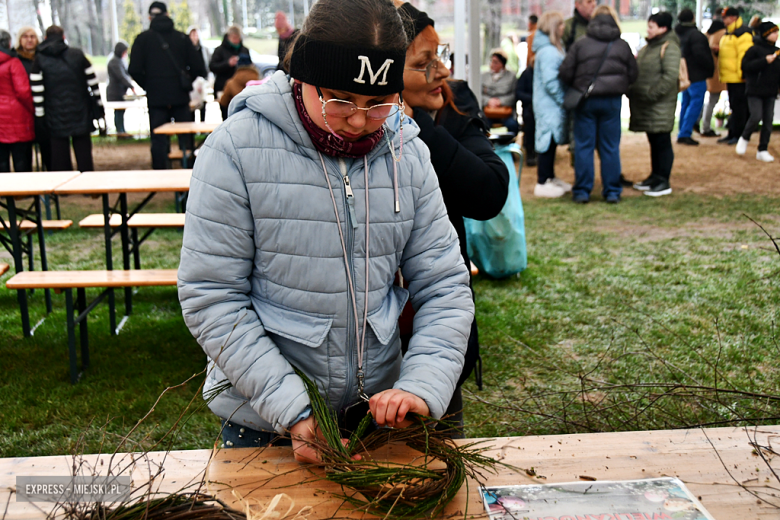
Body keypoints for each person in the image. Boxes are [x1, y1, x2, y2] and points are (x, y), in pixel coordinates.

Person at [177, 0, 473, 460]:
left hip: (374, 420)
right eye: (339, 101)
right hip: (263, 424)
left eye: (378, 104)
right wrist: (292, 409)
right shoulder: (235, 150)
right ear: (301, 76)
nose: (358, 121)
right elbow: (211, 295)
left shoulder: (407, 155)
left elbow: (445, 286)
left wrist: (419, 386)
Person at [396, 1, 509, 435]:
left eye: (440, 56)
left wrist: (419, 127)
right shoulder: (350, 122)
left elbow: (487, 193)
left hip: (435, 319)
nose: (441, 71)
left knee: (439, 456)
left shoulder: (454, 105)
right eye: (423, 63)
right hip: (364, 332)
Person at [559, 5, 637, 204]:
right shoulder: (622, 45)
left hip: (586, 100)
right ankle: (612, 191)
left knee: (584, 146)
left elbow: (565, 72)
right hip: (612, 101)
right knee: (610, 147)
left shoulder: (580, 44)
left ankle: (583, 191)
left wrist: (580, 84)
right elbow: (634, 73)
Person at [129, 1, 206, 169]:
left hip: (156, 97)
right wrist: (186, 81)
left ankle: (160, 171)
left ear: (150, 17)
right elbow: (198, 67)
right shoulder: (182, 38)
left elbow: (134, 69)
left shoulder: (142, 40)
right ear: (168, 15)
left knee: (158, 138)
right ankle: (189, 169)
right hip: (179, 95)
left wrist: (149, 85)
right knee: (185, 135)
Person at [30, 25, 101, 172]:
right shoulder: (78, 55)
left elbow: (37, 90)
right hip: (80, 109)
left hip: (53, 111)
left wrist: (40, 115)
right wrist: (99, 105)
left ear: (45, 38)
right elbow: (93, 82)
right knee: (83, 150)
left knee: (59, 151)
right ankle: (88, 184)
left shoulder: (39, 60)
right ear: (63, 37)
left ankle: (64, 185)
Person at [628, 12, 680, 198]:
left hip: (660, 105)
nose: (648, 30)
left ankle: (663, 180)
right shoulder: (649, 47)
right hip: (647, 105)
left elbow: (670, 77)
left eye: (652, 26)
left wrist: (652, 94)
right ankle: (655, 176)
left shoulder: (670, 47)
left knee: (662, 141)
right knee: (654, 141)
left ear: (663, 28)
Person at [531, 11, 570, 198]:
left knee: (551, 141)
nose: (564, 27)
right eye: (560, 24)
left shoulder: (550, 49)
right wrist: (563, 99)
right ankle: (543, 180)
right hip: (549, 106)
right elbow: (550, 81)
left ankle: (550, 177)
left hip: (548, 105)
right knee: (547, 141)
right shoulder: (548, 52)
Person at [736, 21, 779, 162]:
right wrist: (764, 61)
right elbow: (746, 66)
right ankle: (744, 137)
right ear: (766, 34)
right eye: (773, 32)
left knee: (768, 121)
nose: (776, 35)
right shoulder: (753, 50)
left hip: (771, 91)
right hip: (755, 89)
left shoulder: (777, 51)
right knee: (756, 116)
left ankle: (763, 149)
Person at [675, 8, 715, 146]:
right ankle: (685, 133)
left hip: (683, 74)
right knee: (695, 103)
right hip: (696, 75)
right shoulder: (696, 36)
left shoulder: (676, 35)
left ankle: (682, 130)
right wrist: (709, 68)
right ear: (692, 18)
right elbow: (701, 56)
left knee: (685, 103)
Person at [14, 26, 51, 171]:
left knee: (47, 148)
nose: (29, 40)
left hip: (44, 108)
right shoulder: (15, 59)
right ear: (19, 40)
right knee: (24, 151)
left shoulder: (44, 57)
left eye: (32, 36)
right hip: (23, 110)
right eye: (25, 36)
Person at [717, 7, 754, 145]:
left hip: (739, 78)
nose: (723, 20)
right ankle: (732, 132)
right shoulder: (729, 33)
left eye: (725, 17)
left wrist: (743, 74)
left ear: (733, 18)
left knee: (740, 108)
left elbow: (744, 56)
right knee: (734, 107)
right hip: (730, 77)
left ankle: (739, 135)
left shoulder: (743, 34)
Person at [0, 29, 34, 172]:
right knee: (21, 157)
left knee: (1, 159)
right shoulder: (13, 63)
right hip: (17, 116)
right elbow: (23, 91)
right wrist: (33, 109)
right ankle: (24, 191)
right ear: (9, 43)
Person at [210, 25, 249, 120]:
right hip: (223, 87)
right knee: (226, 116)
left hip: (241, 88)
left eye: (237, 38)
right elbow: (212, 66)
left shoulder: (244, 50)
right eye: (233, 38)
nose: (236, 40)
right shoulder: (219, 50)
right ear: (228, 37)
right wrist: (227, 63)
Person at [699, 17, 727, 137]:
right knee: (712, 101)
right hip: (718, 73)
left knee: (702, 101)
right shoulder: (722, 34)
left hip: (705, 72)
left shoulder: (705, 35)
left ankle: (697, 121)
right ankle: (706, 126)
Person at [481, 49, 518, 133]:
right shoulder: (484, 76)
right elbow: (479, 94)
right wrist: (488, 101)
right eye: (491, 61)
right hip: (488, 111)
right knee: (482, 125)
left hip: (505, 111)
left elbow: (514, 95)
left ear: (502, 64)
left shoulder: (511, 77)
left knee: (513, 125)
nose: (492, 64)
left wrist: (500, 101)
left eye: (496, 62)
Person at [106, 41, 135, 136]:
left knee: (121, 112)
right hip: (115, 92)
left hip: (120, 91)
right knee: (118, 112)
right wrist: (131, 86)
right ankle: (120, 132)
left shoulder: (120, 61)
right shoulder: (114, 62)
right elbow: (121, 77)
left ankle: (122, 131)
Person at [515, 62, 535, 166]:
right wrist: (533, 99)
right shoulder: (526, 74)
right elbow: (519, 93)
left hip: (541, 108)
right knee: (529, 125)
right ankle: (530, 152)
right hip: (529, 108)